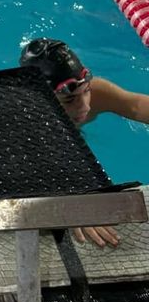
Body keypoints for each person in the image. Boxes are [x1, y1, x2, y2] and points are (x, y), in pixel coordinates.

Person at [20, 37, 149, 248]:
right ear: (40, 100)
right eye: (70, 100)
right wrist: (73, 201)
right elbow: (32, 173)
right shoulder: (30, 122)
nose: (84, 107)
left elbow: (135, 106)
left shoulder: (97, 94)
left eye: (86, 91)